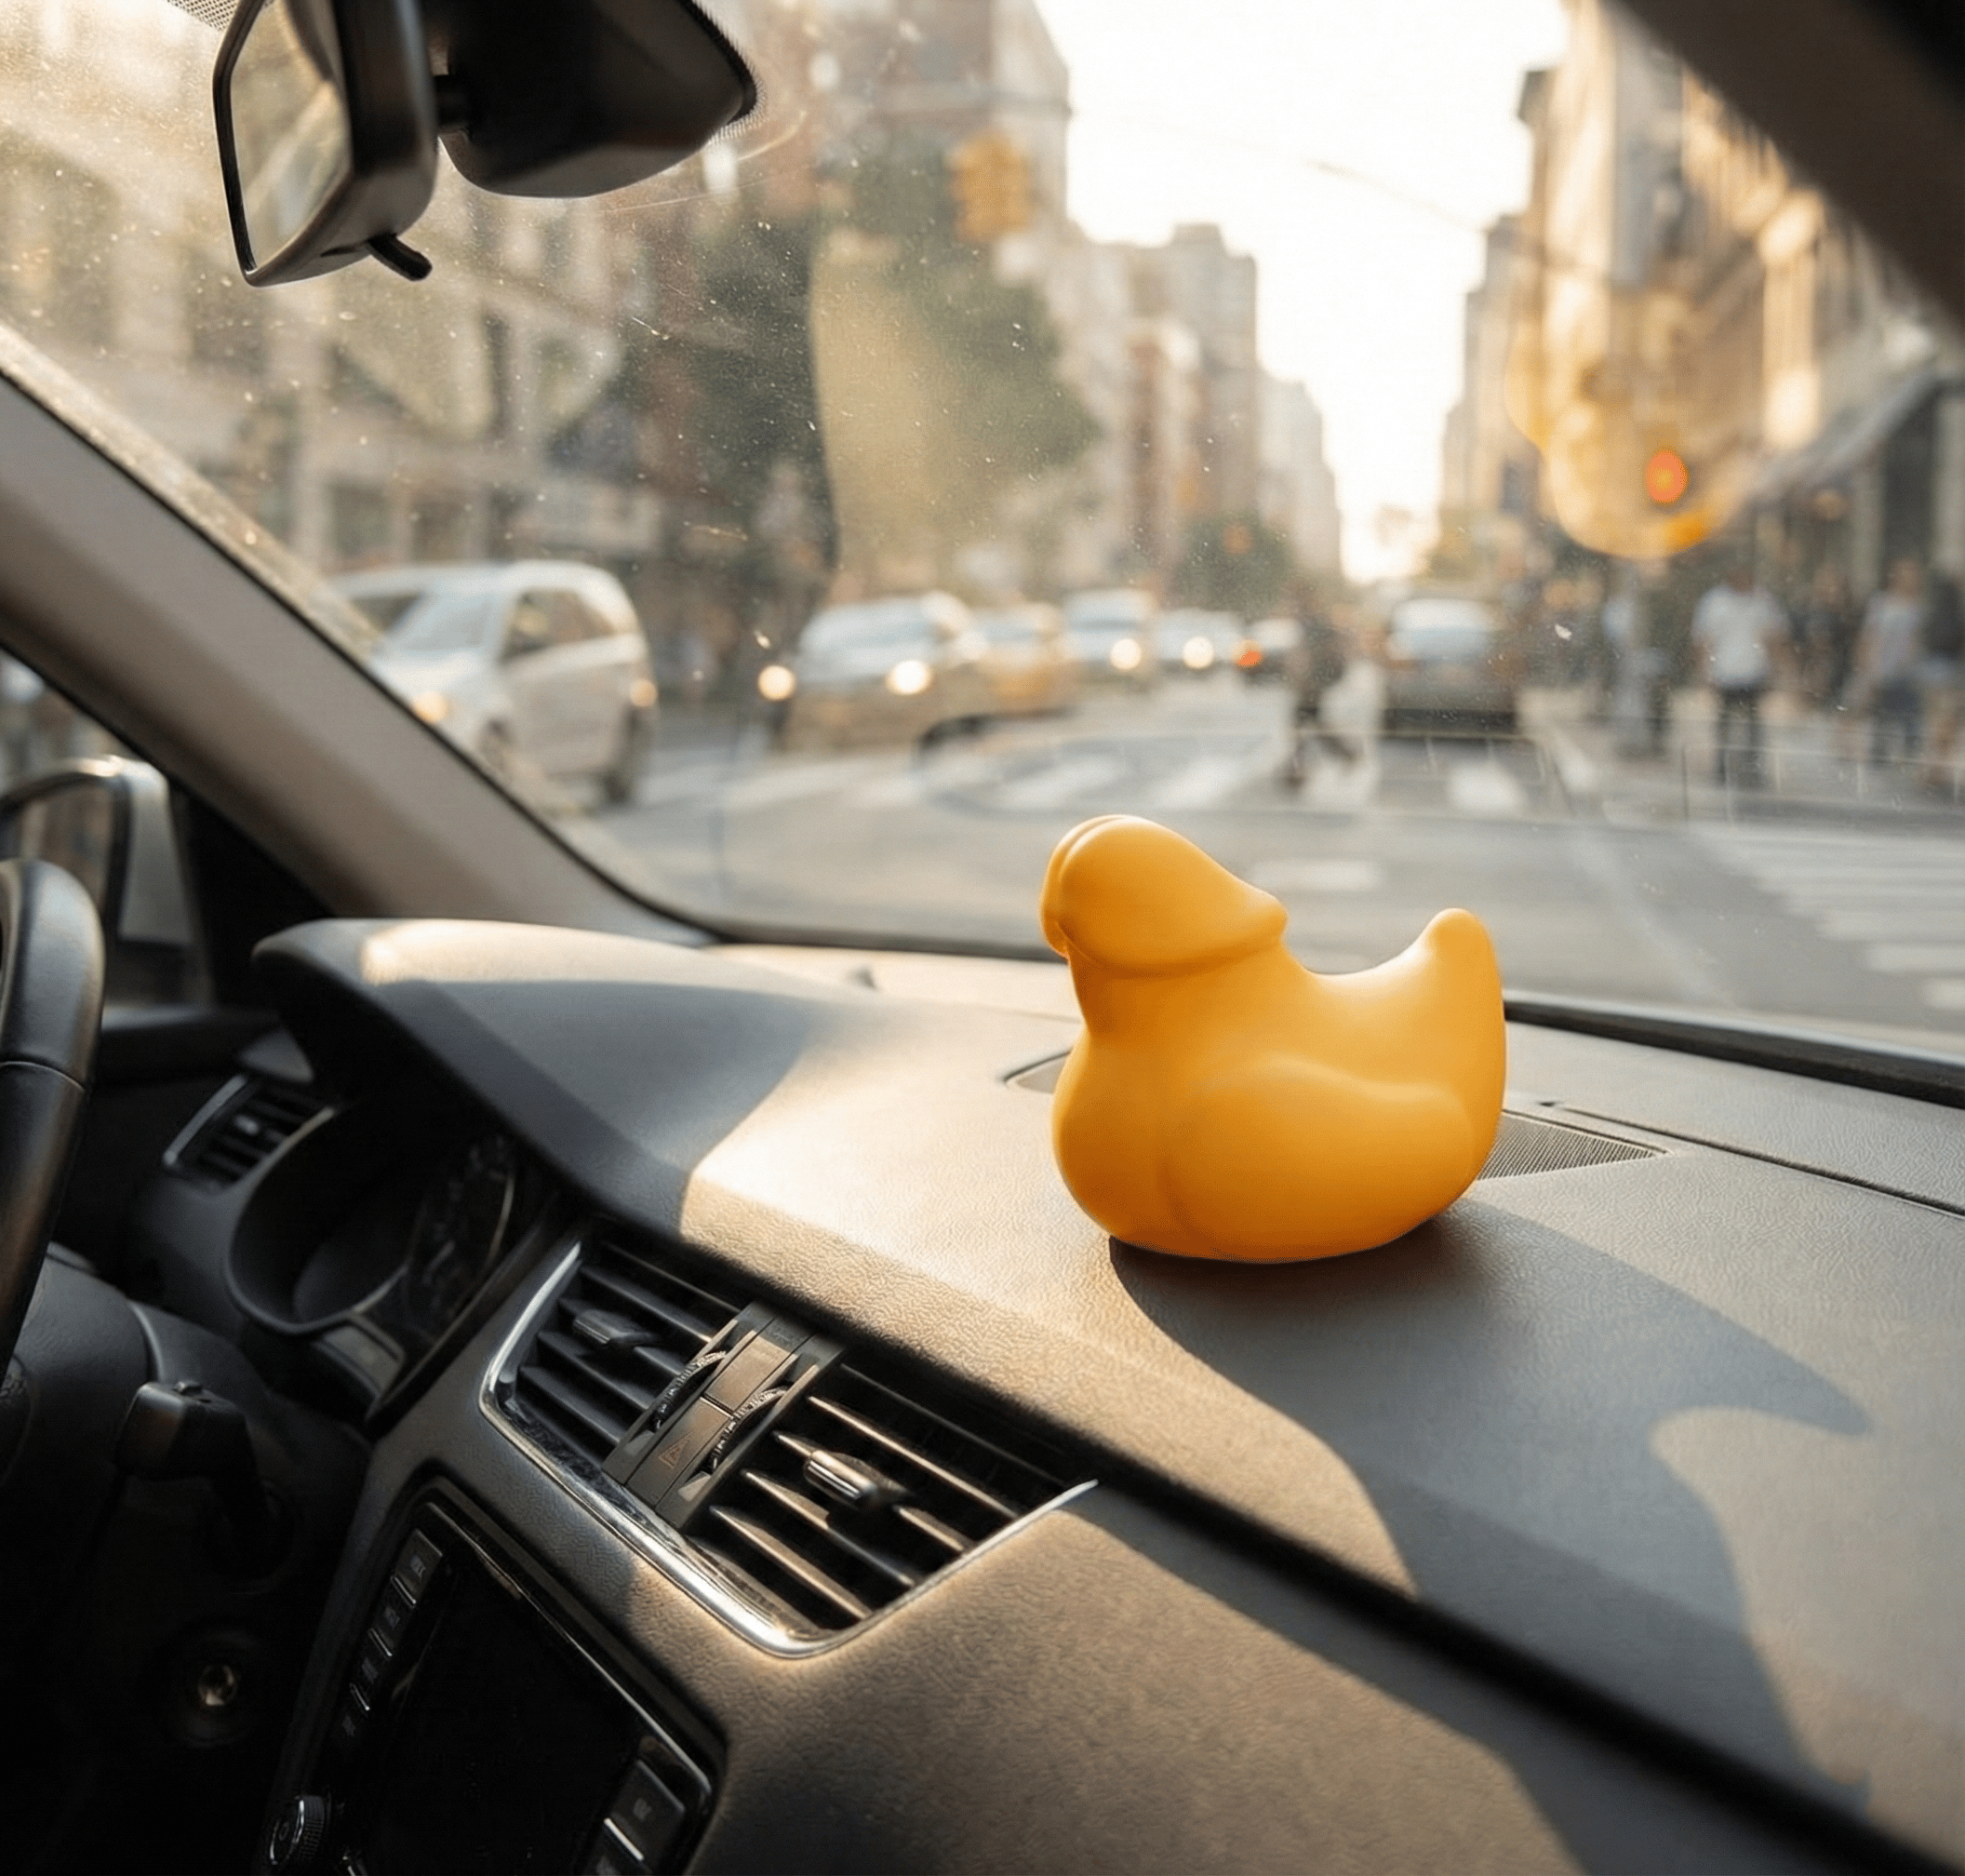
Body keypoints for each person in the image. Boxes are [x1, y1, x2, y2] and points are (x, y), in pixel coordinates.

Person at [1690, 557, 1786, 785]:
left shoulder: (1763, 600)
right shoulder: (1715, 601)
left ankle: (1751, 767)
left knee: (1753, 722)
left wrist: (1776, 670)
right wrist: (1704, 672)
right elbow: (1703, 639)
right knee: (1725, 721)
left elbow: (1774, 636)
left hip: (1754, 670)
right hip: (1724, 670)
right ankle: (1722, 766)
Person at [1855, 556, 1927, 765]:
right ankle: (1879, 758)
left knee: (1909, 719)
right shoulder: (1881, 603)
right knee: (1881, 718)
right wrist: (1867, 667)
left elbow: (1917, 640)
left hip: (1907, 672)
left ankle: (1908, 759)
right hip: (1883, 669)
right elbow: (1869, 636)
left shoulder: (1917, 606)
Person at [1917, 570, 1962, 795]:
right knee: (1943, 725)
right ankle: (1935, 772)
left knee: (1935, 724)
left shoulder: (1932, 613)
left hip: (1931, 670)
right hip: (1947, 672)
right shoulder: (1953, 616)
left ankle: (1931, 771)